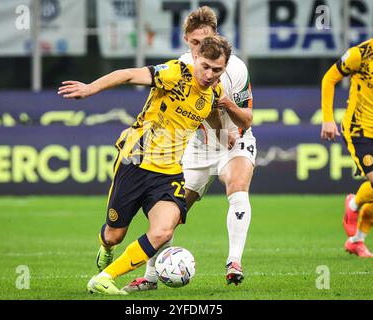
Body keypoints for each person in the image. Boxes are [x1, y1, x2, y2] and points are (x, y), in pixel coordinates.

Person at [58, 36, 231, 295]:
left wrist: (224, 134)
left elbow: (214, 118)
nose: (209, 74)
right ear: (196, 58)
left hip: (170, 172)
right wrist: (90, 88)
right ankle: (106, 247)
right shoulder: (175, 73)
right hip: (136, 161)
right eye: (205, 66)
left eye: (217, 70)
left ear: (225, 68)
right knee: (114, 235)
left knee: (163, 230)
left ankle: (105, 278)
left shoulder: (215, 91)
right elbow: (128, 74)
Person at [123, 6, 255, 292]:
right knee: (172, 213)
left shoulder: (236, 68)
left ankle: (234, 262)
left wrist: (229, 107)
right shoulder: (180, 68)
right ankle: (151, 276)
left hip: (234, 141)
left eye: (205, 41)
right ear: (186, 40)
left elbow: (247, 119)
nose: (200, 49)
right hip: (195, 149)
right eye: (195, 43)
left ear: (216, 37)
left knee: (237, 187)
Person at [321, 3, 373, 258]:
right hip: (358, 129)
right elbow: (329, 78)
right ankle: (353, 203)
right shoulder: (360, 54)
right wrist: (328, 119)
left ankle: (357, 240)